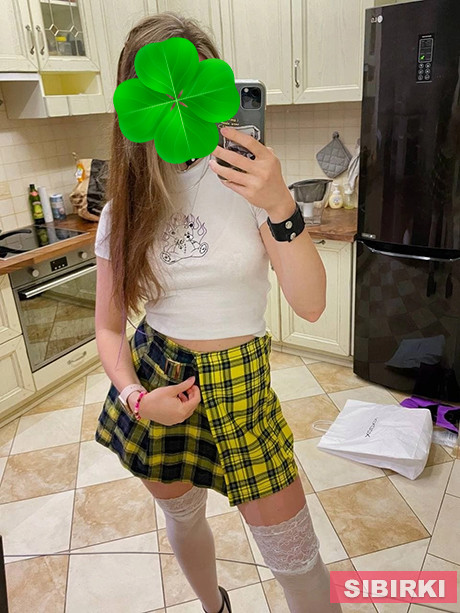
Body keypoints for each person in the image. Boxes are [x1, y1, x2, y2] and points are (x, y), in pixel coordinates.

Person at [94, 11, 342, 613]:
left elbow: (311, 306)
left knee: (298, 562)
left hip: (243, 386)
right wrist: (134, 397)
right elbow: (107, 325)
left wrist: (281, 205)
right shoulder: (123, 210)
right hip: (159, 380)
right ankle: (214, 608)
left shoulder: (249, 183)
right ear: (139, 105)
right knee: (182, 520)